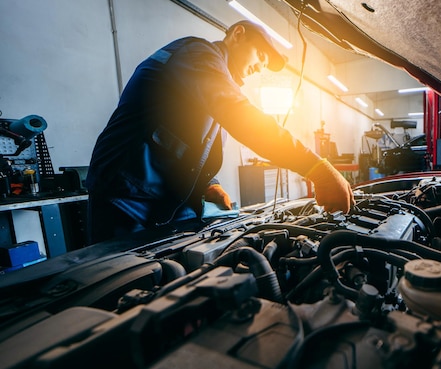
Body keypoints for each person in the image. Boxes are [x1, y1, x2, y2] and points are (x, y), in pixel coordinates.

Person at [85, 20, 354, 245]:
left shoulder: (209, 76)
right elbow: (240, 117)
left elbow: (189, 141)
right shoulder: (197, 53)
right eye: (261, 55)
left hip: (167, 200)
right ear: (238, 34)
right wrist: (315, 167)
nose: (260, 67)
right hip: (127, 195)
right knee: (129, 291)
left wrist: (208, 184)